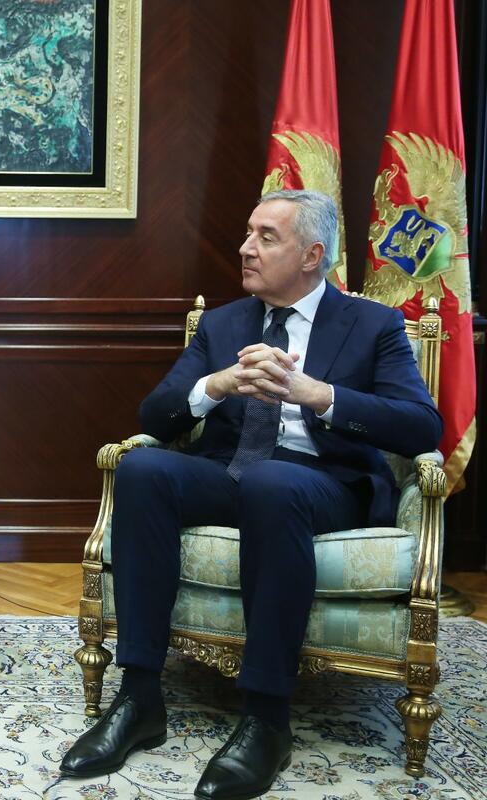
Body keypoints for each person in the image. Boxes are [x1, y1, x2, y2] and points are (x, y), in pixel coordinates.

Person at [59, 190, 442, 799]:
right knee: (143, 470)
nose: (245, 248)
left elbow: (422, 427)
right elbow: (154, 416)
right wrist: (216, 384)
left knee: (273, 483)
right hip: (232, 471)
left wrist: (317, 394)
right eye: (247, 232)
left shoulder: (373, 325)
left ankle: (266, 718)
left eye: (266, 237)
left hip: (324, 483)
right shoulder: (223, 324)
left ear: (312, 255)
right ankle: (139, 698)